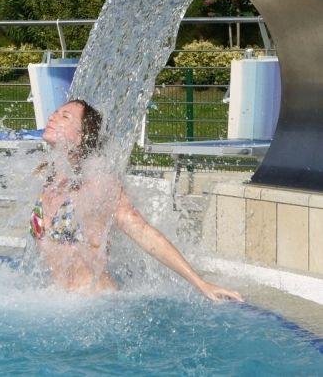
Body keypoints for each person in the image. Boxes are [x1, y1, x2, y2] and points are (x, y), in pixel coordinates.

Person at [30, 99, 243, 302]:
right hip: (58, 299)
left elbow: (142, 231)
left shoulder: (97, 182)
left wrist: (201, 283)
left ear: (82, 135)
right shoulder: (51, 178)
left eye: (65, 116)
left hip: (93, 301)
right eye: (56, 113)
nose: (53, 117)